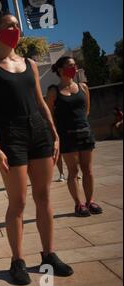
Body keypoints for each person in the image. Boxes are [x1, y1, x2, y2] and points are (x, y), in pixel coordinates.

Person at [0, 12, 73, 285]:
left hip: (39, 133)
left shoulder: (29, 63)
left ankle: (49, 255)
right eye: (9, 26)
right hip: (11, 137)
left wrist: (54, 133)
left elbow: (41, 102)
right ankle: (17, 260)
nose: (15, 29)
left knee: (43, 197)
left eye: (17, 26)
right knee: (17, 202)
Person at [46, 56, 103, 217]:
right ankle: (78, 204)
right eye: (69, 66)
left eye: (74, 65)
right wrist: (55, 136)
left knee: (88, 170)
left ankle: (90, 201)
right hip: (67, 136)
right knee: (73, 171)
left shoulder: (83, 87)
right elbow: (49, 115)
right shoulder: (53, 91)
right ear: (60, 69)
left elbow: (87, 111)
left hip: (85, 133)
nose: (74, 68)